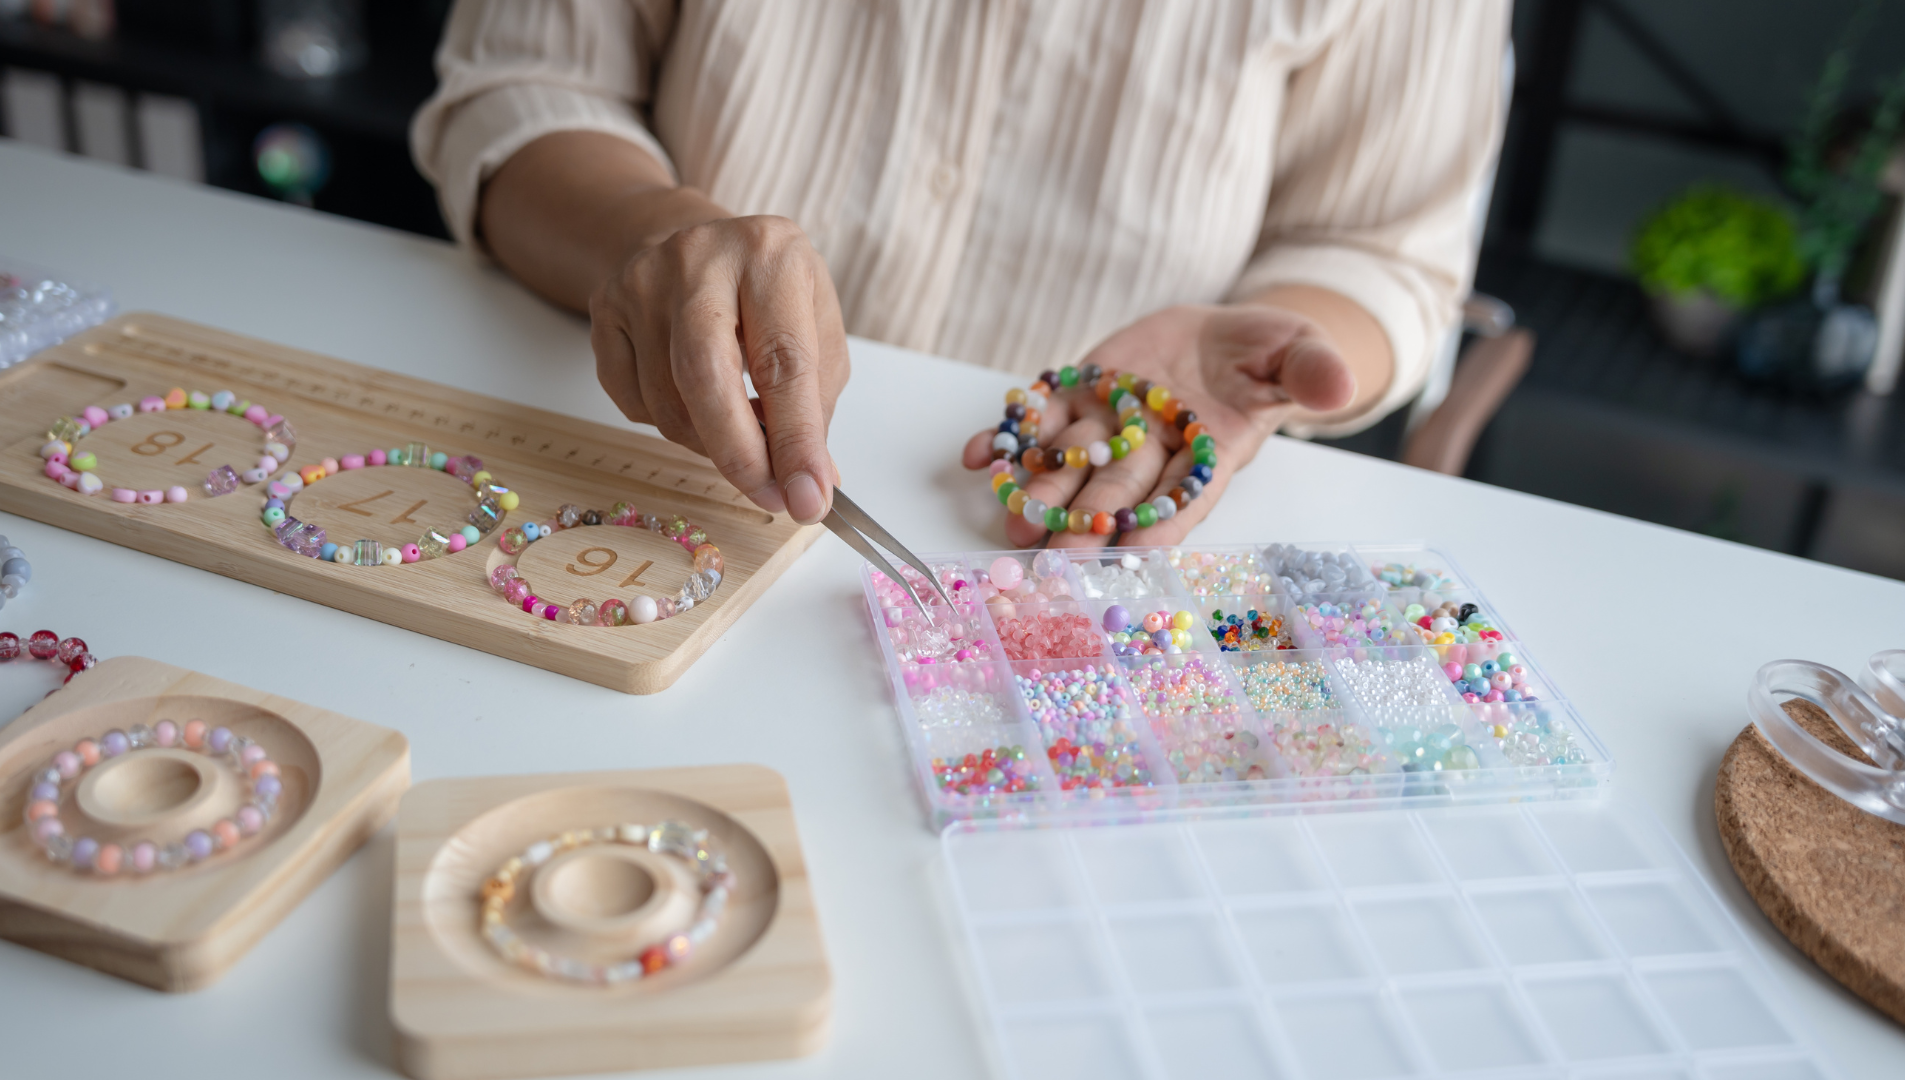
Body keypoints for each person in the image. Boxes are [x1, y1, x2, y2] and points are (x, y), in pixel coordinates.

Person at [412, 0, 1507, 547]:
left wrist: (1267, 346)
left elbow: (1383, 250)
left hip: (1038, 534)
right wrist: (646, 236)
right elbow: (525, 86)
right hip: (636, 461)